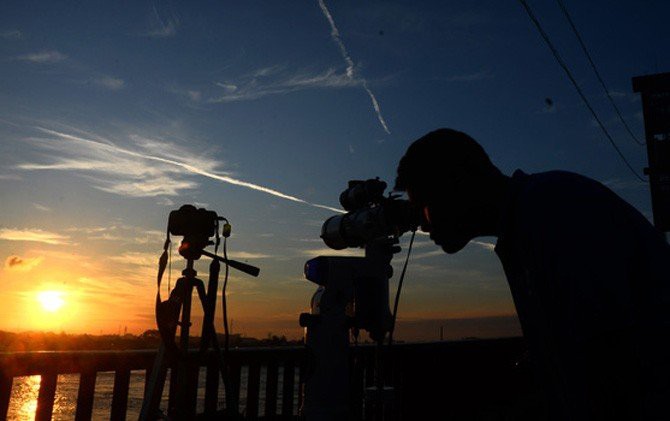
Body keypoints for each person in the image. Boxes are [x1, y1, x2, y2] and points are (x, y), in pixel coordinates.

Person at [394, 128, 670, 420]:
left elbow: (608, 365)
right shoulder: (530, 217)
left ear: (456, 185)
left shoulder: (554, 211)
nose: (423, 226)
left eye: (424, 208)